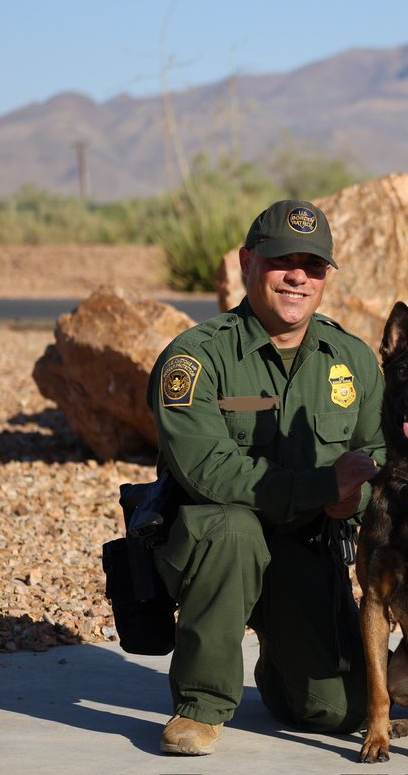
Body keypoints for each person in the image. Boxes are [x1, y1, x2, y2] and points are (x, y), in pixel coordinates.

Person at [145, 199, 385, 756]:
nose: (299, 276)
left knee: (337, 711)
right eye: (282, 261)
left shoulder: (350, 359)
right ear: (247, 261)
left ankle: (281, 666)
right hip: (210, 547)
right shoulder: (196, 359)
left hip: (303, 544)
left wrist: (358, 497)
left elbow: (376, 453)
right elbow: (211, 472)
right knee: (232, 530)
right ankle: (201, 706)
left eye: (315, 265)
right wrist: (327, 486)